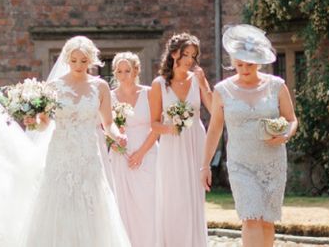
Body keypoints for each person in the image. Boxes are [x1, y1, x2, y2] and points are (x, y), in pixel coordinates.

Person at [24, 35, 131, 246]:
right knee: (59, 202)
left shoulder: (100, 87)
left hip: (88, 154)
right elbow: (45, 123)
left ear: (91, 60)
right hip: (61, 153)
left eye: (83, 61)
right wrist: (32, 122)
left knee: (90, 202)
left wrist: (118, 135)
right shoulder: (54, 87)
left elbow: (107, 123)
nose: (79, 65)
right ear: (67, 60)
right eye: (74, 61)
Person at [201, 25, 297, 247]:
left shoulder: (276, 86)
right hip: (240, 164)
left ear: (259, 62)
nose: (244, 69)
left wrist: (285, 135)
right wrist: (205, 165)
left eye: (249, 64)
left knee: (267, 221)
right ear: (233, 62)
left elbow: (292, 119)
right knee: (251, 217)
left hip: (272, 162)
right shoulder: (222, 90)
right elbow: (215, 128)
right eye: (239, 64)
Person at [149, 32, 212, 247]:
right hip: (171, 146)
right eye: (186, 54)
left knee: (194, 197)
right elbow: (154, 124)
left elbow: (213, 109)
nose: (190, 60)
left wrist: (204, 85)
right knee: (173, 198)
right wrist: (170, 128)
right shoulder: (159, 84)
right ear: (174, 54)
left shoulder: (197, 80)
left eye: (194, 56)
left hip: (196, 142)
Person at [108, 52, 158, 247]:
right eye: (119, 71)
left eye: (127, 70)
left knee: (148, 204)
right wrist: (113, 141)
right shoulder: (110, 96)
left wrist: (141, 153)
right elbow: (105, 126)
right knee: (123, 205)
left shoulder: (148, 93)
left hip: (148, 152)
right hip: (121, 155)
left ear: (136, 70)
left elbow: (157, 126)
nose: (123, 75)